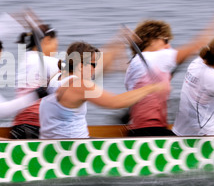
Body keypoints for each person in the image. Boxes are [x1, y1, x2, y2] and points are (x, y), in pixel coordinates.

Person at [39, 41, 167, 139]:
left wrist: (116, 45)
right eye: (93, 65)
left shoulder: (57, 77)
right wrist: (151, 88)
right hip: (74, 149)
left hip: (54, 143)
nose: (95, 69)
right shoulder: (79, 85)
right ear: (81, 65)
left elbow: (100, 70)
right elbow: (115, 102)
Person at [123, 18, 214, 137]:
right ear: (152, 40)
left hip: (138, 130)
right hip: (151, 132)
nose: (168, 46)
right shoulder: (156, 57)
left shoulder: (134, 63)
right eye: (165, 40)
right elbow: (197, 45)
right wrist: (213, 28)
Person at [9, 22, 60, 139]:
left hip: (19, 127)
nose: (55, 52)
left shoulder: (26, 58)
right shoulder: (43, 61)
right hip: (34, 129)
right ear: (46, 40)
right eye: (55, 47)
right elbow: (76, 70)